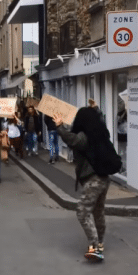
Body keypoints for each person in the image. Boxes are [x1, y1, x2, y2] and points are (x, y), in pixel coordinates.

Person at [53, 108, 111, 261]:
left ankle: (95, 247)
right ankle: (101, 242)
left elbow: (73, 140)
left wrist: (60, 126)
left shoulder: (85, 136)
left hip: (94, 179)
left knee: (82, 212)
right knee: (98, 212)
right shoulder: (100, 133)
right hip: (104, 178)